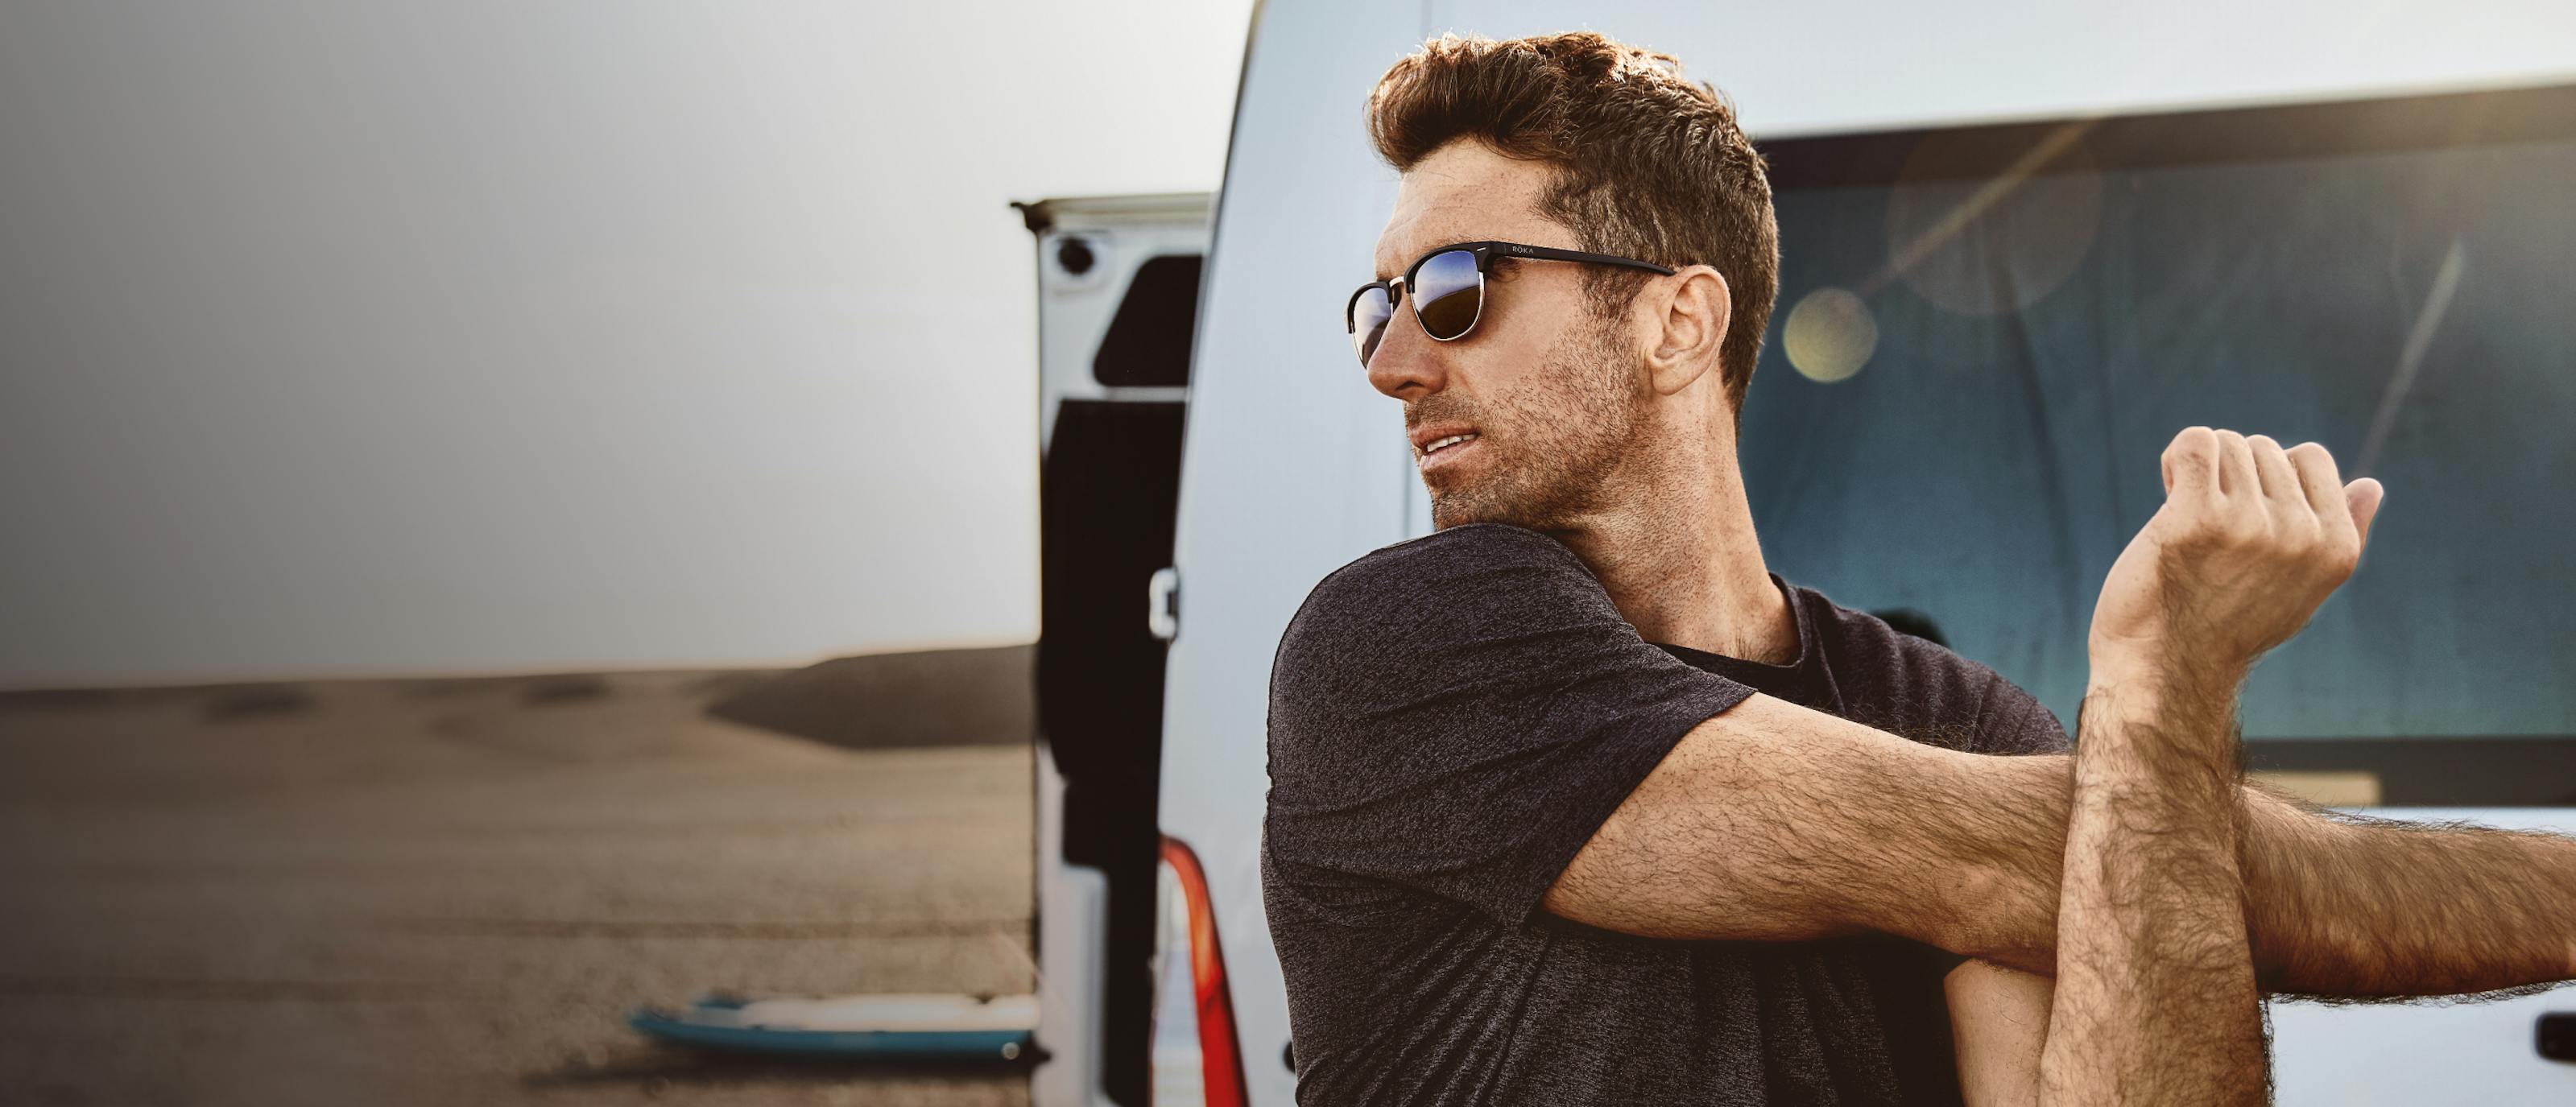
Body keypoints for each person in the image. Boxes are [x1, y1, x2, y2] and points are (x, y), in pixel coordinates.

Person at [1260, 31, 2575, 1105]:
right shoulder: (1398, 648)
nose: (1392, 363)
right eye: (1378, 306)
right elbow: (2055, 856)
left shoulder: (1951, 717)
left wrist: (2163, 691)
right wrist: (2155, 737)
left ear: (1675, 321)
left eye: (1449, 289)